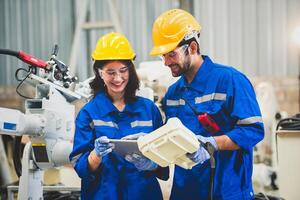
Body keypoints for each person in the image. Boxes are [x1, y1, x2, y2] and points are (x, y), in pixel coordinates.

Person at [149, 9, 264, 200]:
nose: (166, 62)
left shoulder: (231, 80)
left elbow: (253, 131)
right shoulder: (173, 94)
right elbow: (170, 141)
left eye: (171, 54)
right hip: (185, 192)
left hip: (227, 190)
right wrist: (148, 152)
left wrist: (212, 144)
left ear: (192, 47)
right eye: (163, 56)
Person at [70, 32, 169, 200]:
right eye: (110, 72)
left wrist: (152, 164)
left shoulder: (148, 109)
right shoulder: (89, 113)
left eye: (123, 71)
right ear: (100, 72)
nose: (118, 78)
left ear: (130, 70)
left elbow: (164, 159)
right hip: (103, 194)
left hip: (144, 194)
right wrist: (96, 155)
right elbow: (80, 167)